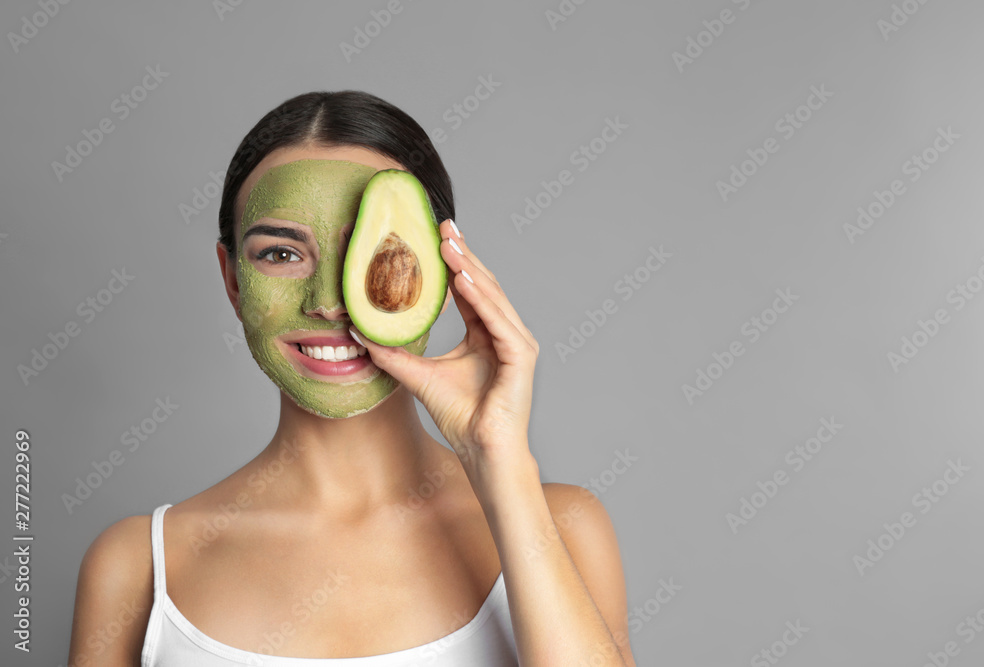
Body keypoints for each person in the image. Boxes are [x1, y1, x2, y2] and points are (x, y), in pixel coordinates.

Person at [67, 90, 636, 666]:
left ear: (443, 273)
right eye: (282, 255)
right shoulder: (136, 567)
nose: (331, 304)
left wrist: (500, 461)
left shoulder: (563, 527)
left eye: (378, 254)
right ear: (233, 281)